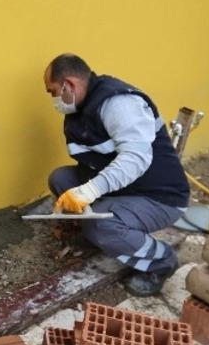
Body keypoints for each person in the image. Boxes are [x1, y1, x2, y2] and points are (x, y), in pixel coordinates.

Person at [44, 54, 190, 296]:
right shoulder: (81, 108)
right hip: (126, 188)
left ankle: (160, 261)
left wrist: (89, 191)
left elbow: (135, 159)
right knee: (61, 180)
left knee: (101, 224)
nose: (54, 99)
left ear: (68, 85)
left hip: (159, 197)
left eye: (53, 91)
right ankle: (102, 233)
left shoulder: (119, 103)